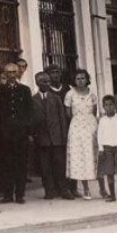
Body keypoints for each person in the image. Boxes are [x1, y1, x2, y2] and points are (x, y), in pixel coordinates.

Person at [31, 72, 73, 200]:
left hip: (57, 139)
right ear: (37, 83)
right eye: (43, 81)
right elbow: (31, 120)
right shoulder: (33, 100)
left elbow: (62, 118)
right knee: (45, 167)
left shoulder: (56, 98)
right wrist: (34, 135)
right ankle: (49, 190)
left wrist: (64, 136)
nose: (47, 84)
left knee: (60, 165)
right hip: (42, 139)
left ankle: (64, 190)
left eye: (48, 81)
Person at [0, 62, 33, 204]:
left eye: (14, 72)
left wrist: (28, 132)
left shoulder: (25, 90)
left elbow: (29, 112)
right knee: (6, 164)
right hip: (5, 133)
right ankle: (7, 194)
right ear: (4, 74)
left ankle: (19, 194)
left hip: (20, 133)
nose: (11, 75)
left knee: (20, 164)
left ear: (18, 73)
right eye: (8, 72)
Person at [64, 69, 98, 200]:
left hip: (90, 127)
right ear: (74, 80)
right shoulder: (70, 94)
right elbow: (68, 113)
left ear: (87, 79)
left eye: (83, 78)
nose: (80, 81)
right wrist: (78, 122)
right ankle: (85, 189)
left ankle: (100, 187)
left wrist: (90, 124)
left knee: (91, 154)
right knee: (81, 156)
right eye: (77, 78)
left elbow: (94, 112)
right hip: (76, 127)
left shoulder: (92, 95)